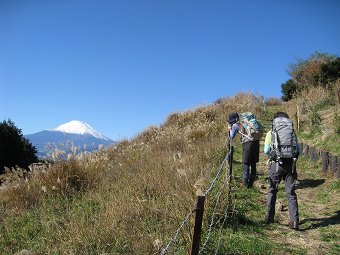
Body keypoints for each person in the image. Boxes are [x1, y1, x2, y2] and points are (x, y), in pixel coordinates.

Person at [264, 111, 300, 230]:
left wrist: (273, 155)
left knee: (272, 190)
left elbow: (266, 150)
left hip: (276, 165)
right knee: (290, 193)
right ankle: (294, 221)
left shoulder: (271, 132)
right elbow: (298, 149)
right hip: (290, 165)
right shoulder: (292, 131)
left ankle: (269, 217)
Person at [227, 112, 260, 188]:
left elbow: (231, 137)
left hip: (247, 144)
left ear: (234, 120)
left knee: (246, 163)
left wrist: (229, 129)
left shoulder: (236, 125)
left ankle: (245, 185)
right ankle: (251, 183)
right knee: (253, 163)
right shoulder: (249, 122)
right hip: (256, 142)